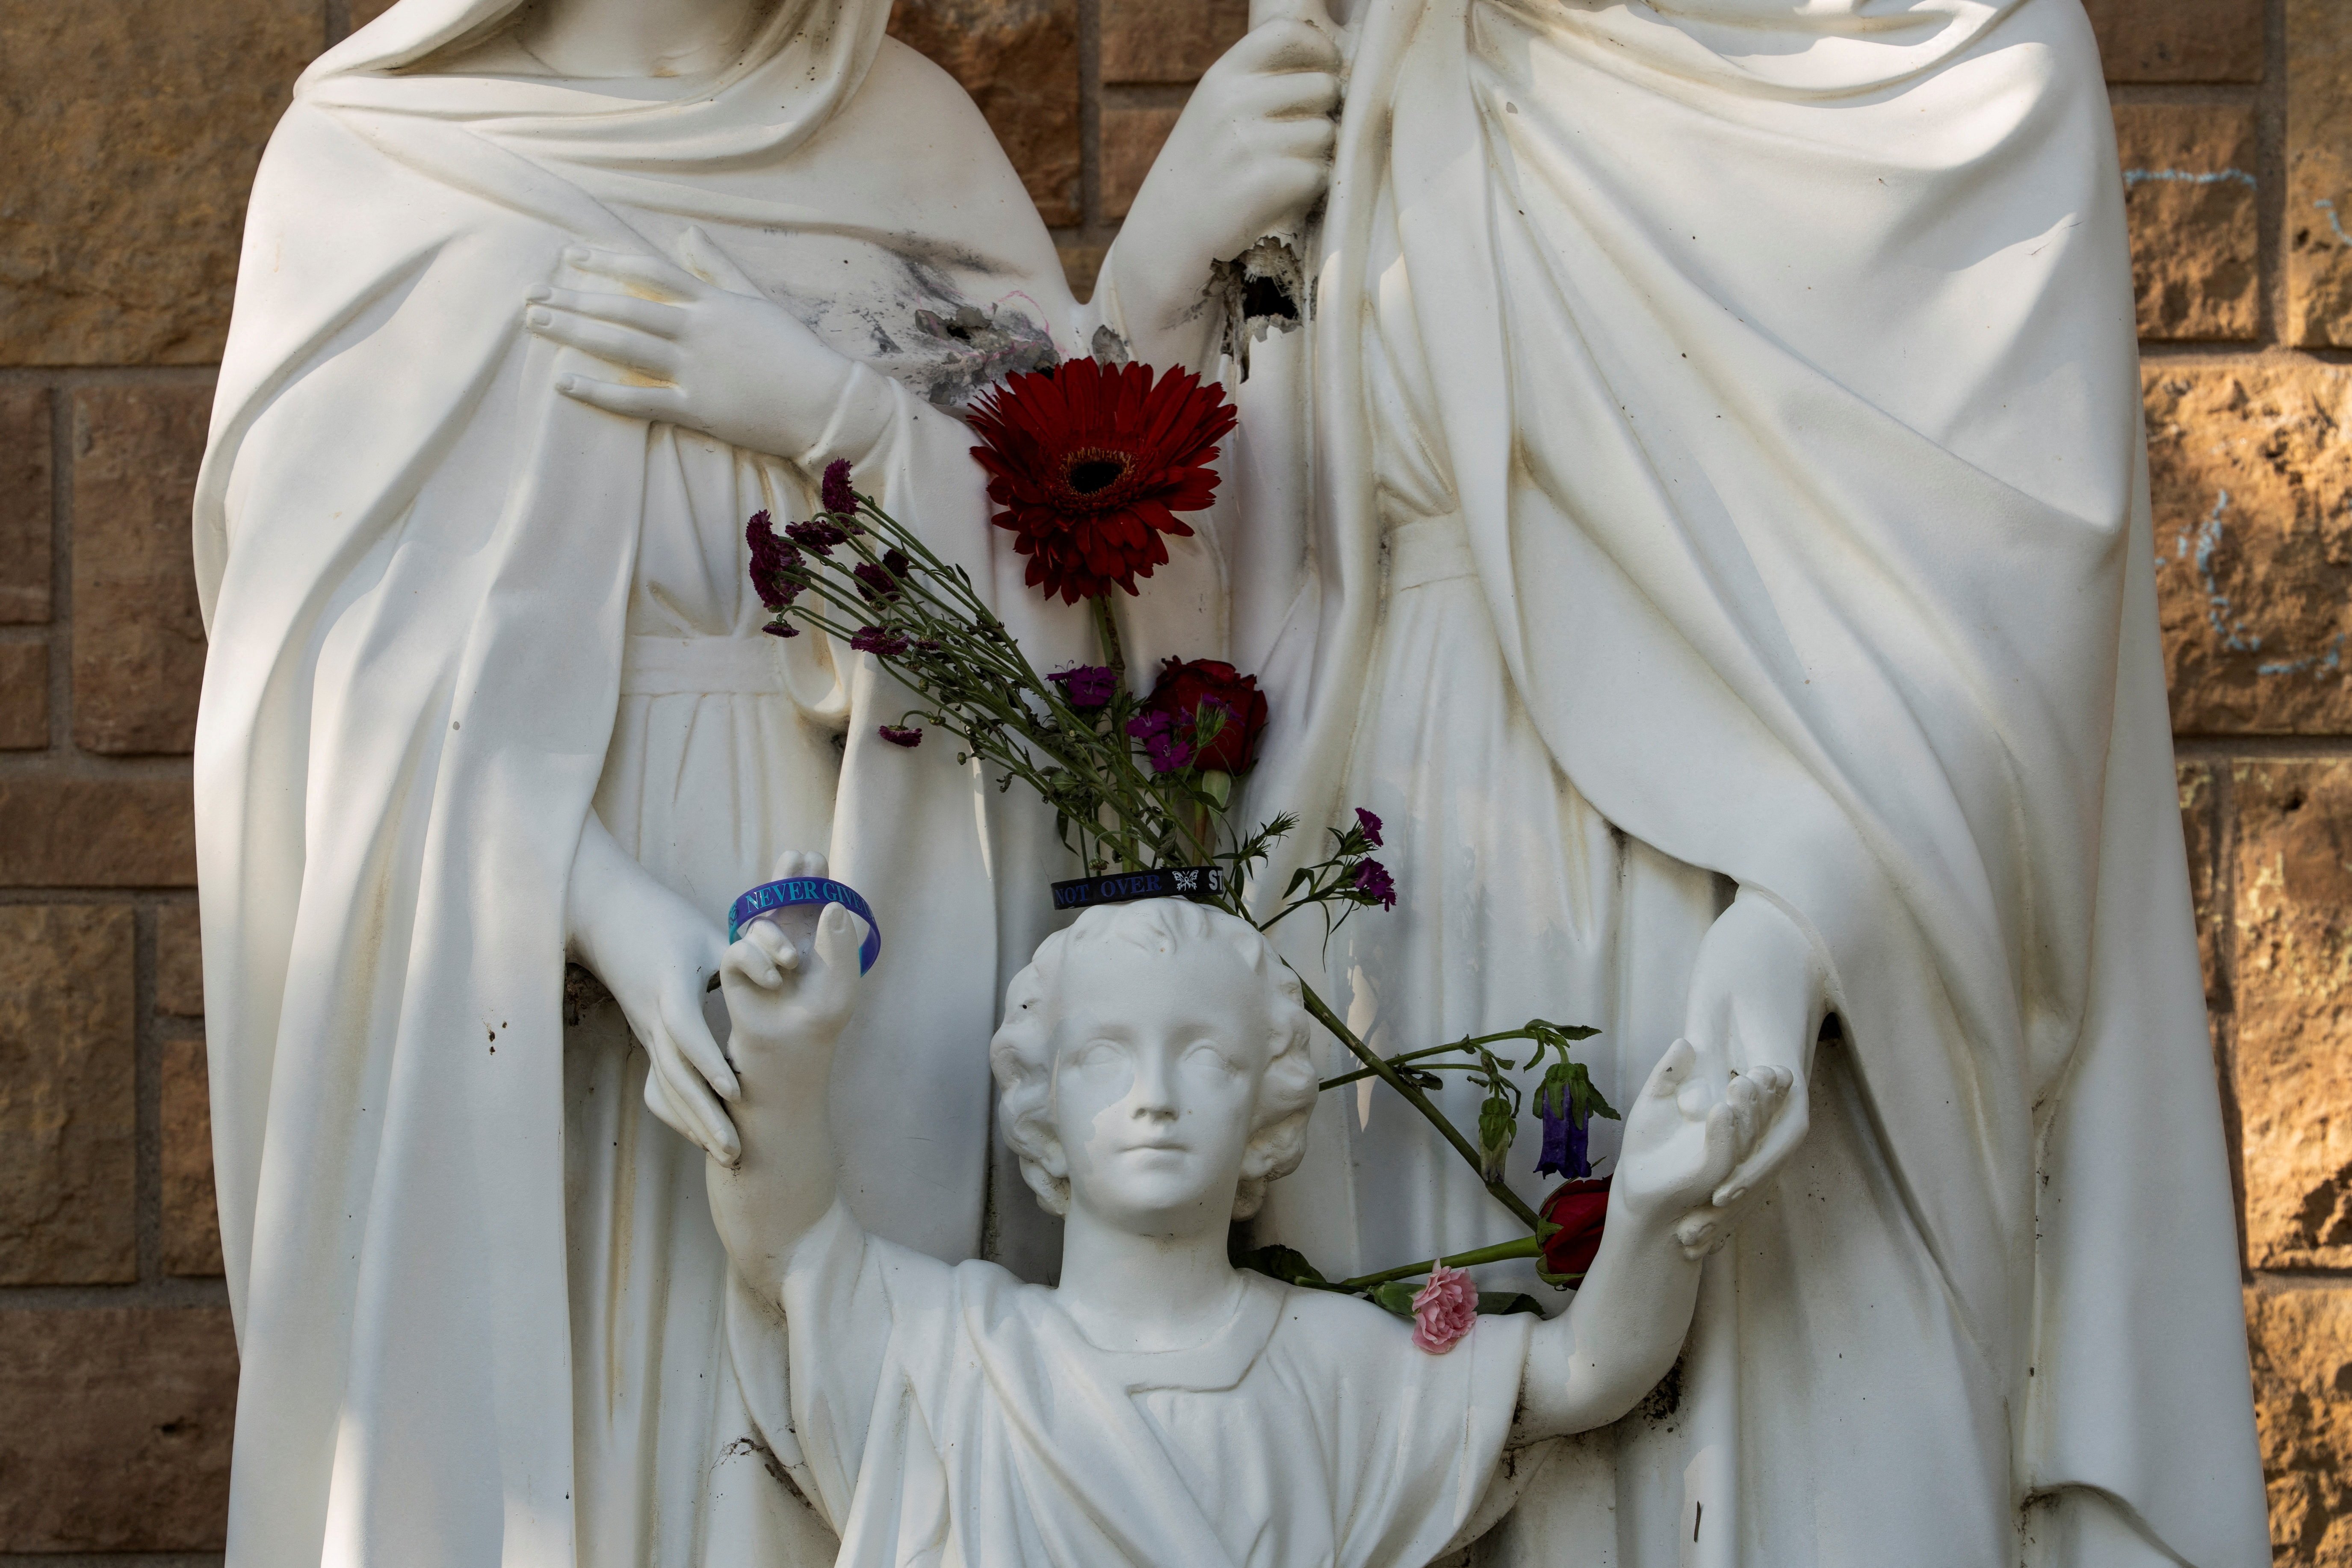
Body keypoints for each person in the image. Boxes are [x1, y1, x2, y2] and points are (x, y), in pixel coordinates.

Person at [191, 0, 1340, 1561]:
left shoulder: (913, 143)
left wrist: (845, 406)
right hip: (553, 991)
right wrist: (604, 911)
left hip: (879, 934)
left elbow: (1073, 622)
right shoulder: (384, 169)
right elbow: (334, 693)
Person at [1226, 0, 2269, 1561]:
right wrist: (1168, 271)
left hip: (1818, 979)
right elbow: (1252, 575)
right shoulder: (1390, 27)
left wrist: (1806, 915)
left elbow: (2013, 617)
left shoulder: (1973, 51)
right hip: (1419, 918)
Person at [707, 882, 1795, 1567]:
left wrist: (1652, 1211)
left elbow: (1578, 1376)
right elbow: (786, 1242)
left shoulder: (1331, 1364)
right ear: (1042, 1097)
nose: (1153, 1096)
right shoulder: (949, 1355)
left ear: (1268, 1105)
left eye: (1208, 1057)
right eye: (1102, 1056)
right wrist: (783, 1062)